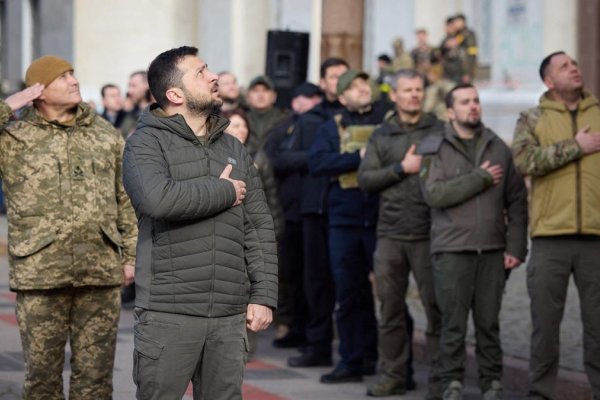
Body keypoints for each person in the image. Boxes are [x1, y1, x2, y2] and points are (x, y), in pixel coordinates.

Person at [122, 46, 278, 400]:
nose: (214, 77)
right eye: (201, 72)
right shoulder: (145, 143)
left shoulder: (233, 147)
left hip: (228, 312)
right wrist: (222, 191)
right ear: (175, 94)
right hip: (168, 312)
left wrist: (264, 294)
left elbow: (258, 226)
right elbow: (157, 199)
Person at [0, 55, 137, 399]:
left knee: (95, 381)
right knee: (42, 381)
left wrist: (132, 256)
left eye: (73, 74)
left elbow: (127, 199)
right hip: (41, 272)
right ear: (38, 91)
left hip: (100, 271)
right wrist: (8, 106)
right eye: (62, 77)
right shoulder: (14, 137)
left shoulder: (105, 133)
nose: (74, 81)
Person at [420, 84, 528, 400]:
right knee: (452, 325)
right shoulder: (434, 146)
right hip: (451, 250)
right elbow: (433, 194)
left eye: (476, 101)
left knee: (488, 324)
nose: (473, 106)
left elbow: (518, 201)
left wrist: (516, 247)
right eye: (465, 102)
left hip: (493, 250)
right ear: (450, 112)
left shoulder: (497, 146)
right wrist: (479, 178)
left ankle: (491, 383)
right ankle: (451, 382)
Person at [512, 51, 600, 400]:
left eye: (575, 63)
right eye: (565, 66)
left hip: (596, 238)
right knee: (545, 326)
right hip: (550, 238)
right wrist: (574, 147)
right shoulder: (532, 118)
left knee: (598, 327)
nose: (574, 68)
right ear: (549, 81)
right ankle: (541, 393)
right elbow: (523, 161)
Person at [358, 69, 443, 398]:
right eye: (407, 90)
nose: (414, 95)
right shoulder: (382, 134)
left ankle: (440, 377)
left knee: (437, 309)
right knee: (390, 309)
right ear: (393, 95)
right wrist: (400, 169)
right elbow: (366, 180)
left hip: (431, 232)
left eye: (418, 89)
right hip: (391, 233)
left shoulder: (438, 129)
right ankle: (393, 374)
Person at [309, 70, 387, 384]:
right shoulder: (332, 127)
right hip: (344, 221)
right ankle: (352, 360)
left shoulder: (388, 121)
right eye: (353, 88)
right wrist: (359, 157)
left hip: (384, 218)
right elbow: (318, 163)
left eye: (364, 85)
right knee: (349, 293)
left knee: (391, 296)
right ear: (342, 97)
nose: (362, 90)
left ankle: (395, 366)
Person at [285, 58, 349, 369]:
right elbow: (294, 158)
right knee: (316, 281)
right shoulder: (310, 120)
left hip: (349, 210)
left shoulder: (367, 115)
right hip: (315, 207)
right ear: (322, 83)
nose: (339, 80)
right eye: (333, 76)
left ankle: (357, 352)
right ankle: (318, 345)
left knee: (350, 283)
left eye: (344, 75)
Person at [265, 82, 323, 348]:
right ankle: (295, 327)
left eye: (314, 98)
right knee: (292, 275)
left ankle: (310, 332)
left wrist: (301, 157)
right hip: (288, 211)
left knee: (314, 276)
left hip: (313, 211)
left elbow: (324, 158)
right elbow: (275, 160)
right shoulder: (283, 129)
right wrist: (310, 158)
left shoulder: (322, 125)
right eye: (305, 97)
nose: (310, 102)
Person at [245, 75, 288, 156]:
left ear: (274, 96)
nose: (260, 95)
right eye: (255, 90)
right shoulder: (239, 120)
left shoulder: (285, 120)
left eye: (265, 90)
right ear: (248, 96)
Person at [453, 14, 478, 83]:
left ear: (463, 22)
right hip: (457, 69)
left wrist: (467, 72)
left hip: (466, 68)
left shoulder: (468, 34)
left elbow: (471, 54)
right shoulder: (457, 34)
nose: (455, 24)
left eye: (457, 22)